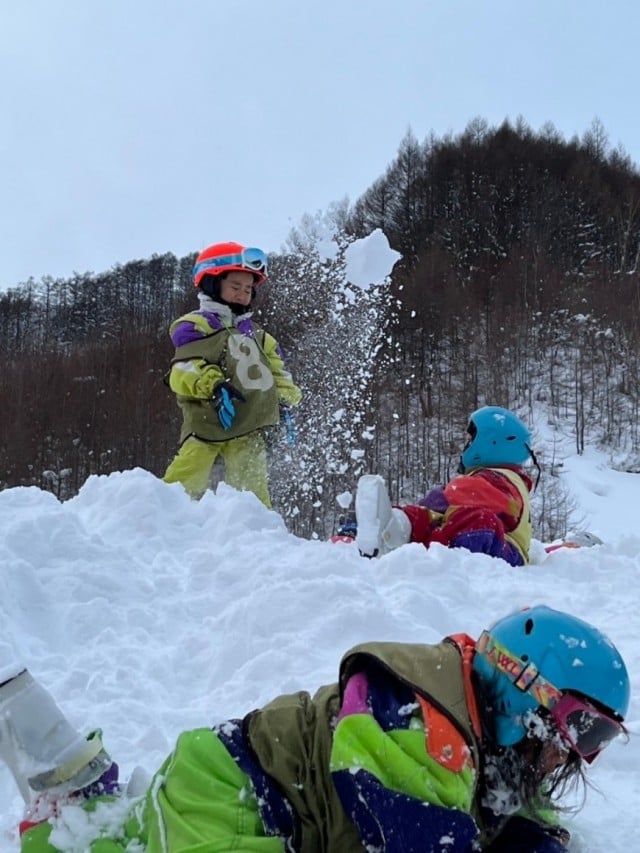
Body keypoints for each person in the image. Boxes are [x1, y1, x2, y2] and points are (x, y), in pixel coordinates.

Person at [1, 605, 630, 852]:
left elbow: (516, 825)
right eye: (581, 728)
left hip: (248, 795)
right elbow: (422, 841)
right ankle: (62, 784)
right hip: (233, 798)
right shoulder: (420, 717)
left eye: (599, 739)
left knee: (139, 835)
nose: (575, 754)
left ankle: (88, 790)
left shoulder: (499, 739)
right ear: (524, 687)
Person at [163, 241, 302, 507]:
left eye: (248, 289)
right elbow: (183, 369)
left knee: (253, 487)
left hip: (248, 424)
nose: (242, 294)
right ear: (212, 285)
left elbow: (278, 370)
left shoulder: (259, 336)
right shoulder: (195, 326)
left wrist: (283, 399)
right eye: (235, 286)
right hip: (207, 421)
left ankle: (257, 528)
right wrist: (214, 386)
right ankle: (160, 516)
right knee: (187, 475)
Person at [355, 405, 538, 565]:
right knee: (433, 517)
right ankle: (386, 527)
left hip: (504, 555)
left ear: (493, 442)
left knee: (476, 521)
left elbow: (456, 495)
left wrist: (428, 507)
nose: (468, 445)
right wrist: (416, 515)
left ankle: (425, 559)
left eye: (471, 440)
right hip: (483, 547)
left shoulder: (502, 479)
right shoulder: (500, 478)